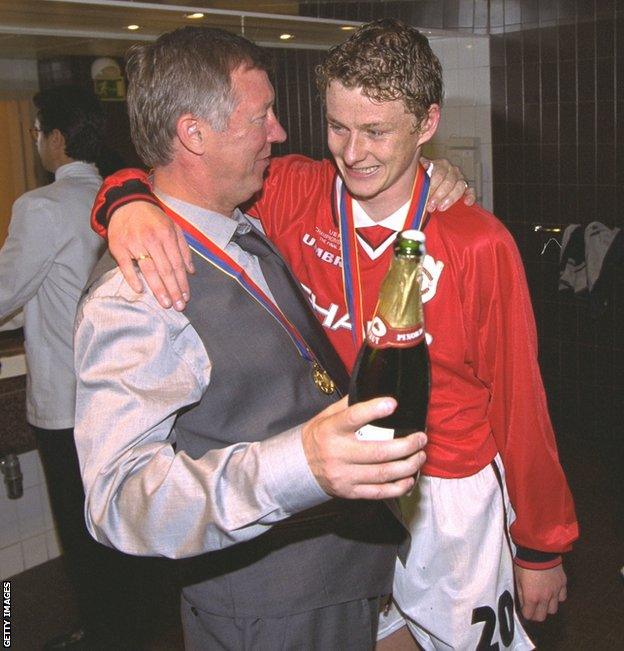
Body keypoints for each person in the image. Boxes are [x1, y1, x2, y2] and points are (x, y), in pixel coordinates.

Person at [93, 19, 579, 651]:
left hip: (449, 493)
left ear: (426, 126)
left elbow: (520, 400)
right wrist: (124, 200)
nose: (353, 153)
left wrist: (542, 544)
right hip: (342, 501)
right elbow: (186, 182)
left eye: (376, 131)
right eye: (338, 128)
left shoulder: (476, 241)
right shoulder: (293, 189)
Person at [73, 26, 428, 651]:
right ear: (194, 134)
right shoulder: (134, 291)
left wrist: (123, 192)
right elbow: (120, 502)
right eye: (261, 116)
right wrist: (303, 464)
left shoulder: (244, 223)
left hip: (343, 579)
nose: (280, 132)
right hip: (270, 610)